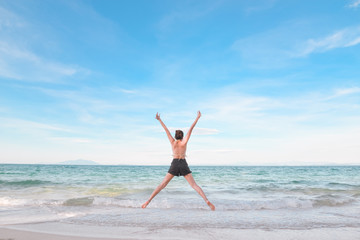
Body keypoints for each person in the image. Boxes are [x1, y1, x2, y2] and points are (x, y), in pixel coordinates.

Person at [141, 111, 215, 211]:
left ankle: (148, 201)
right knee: (194, 185)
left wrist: (159, 120)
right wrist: (197, 118)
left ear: (175, 136)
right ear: (182, 136)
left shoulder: (172, 142)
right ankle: (206, 200)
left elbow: (166, 130)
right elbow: (191, 129)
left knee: (162, 185)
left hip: (175, 163)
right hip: (183, 163)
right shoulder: (184, 142)